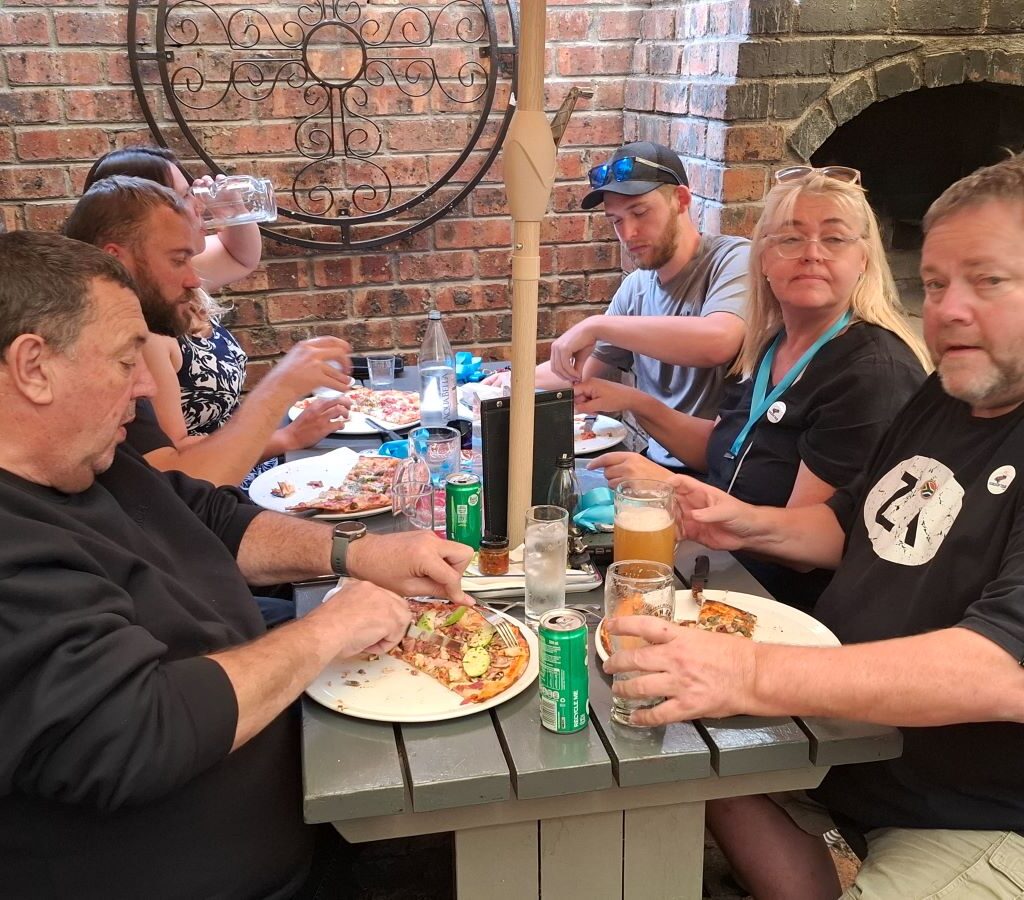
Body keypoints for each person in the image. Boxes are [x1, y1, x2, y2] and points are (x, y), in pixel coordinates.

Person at [0, 230, 473, 898]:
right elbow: (135, 730)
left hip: (312, 802)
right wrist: (327, 630)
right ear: (34, 368)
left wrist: (360, 552)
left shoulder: (87, 460)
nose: (145, 386)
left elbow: (213, 517)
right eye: (126, 358)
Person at [605, 154, 1024, 898]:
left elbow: (1002, 671)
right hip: (845, 748)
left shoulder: (881, 368)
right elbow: (848, 528)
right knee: (652, 760)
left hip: (970, 813)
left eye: (988, 281)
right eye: (934, 283)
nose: (949, 309)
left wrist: (744, 673)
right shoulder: (945, 394)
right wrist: (743, 524)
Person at [576, 166, 929, 608]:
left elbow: (804, 549)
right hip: (724, 562)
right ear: (762, 258)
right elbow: (722, 448)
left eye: (835, 238)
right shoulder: (773, 341)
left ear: (863, 260)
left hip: (785, 601)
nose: (812, 254)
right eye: (790, 238)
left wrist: (670, 488)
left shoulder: (871, 372)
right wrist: (634, 402)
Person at [64, 176, 349, 487]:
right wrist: (280, 392)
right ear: (117, 259)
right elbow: (173, 481)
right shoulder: (95, 350)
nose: (195, 280)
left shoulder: (134, 327)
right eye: (178, 260)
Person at [487, 141, 750, 470]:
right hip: (654, 464)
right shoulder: (637, 288)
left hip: (723, 472)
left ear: (681, 200)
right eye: (615, 220)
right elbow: (583, 373)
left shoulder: (733, 259)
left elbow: (718, 341)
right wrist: (511, 380)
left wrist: (595, 325)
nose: (628, 232)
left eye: (640, 212)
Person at [84, 145, 261, 291]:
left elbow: (239, 257)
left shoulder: (171, 268)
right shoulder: (134, 294)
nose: (199, 205)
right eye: (184, 196)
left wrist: (233, 213)